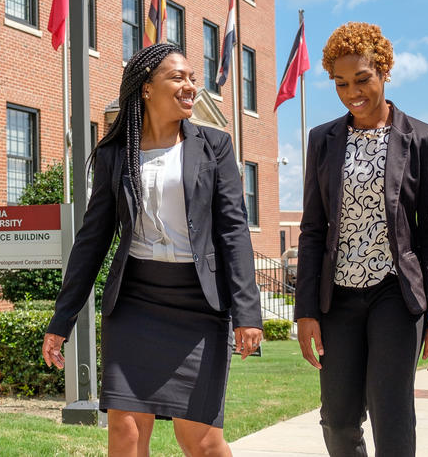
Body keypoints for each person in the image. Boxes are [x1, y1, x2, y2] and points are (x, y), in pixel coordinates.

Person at [41, 43, 263, 457]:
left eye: (192, 78)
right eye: (177, 77)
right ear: (146, 87)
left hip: (200, 305)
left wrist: (248, 314)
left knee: (200, 440)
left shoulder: (214, 146)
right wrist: (62, 320)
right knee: (125, 432)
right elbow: (92, 240)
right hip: (135, 302)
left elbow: (234, 232)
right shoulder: (115, 154)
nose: (190, 86)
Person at [294, 22, 428, 457]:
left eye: (362, 79)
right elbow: (312, 230)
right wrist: (305, 310)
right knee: (338, 418)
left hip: (395, 296)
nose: (351, 92)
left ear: (384, 71)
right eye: (340, 83)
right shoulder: (323, 140)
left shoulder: (422, 139)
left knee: (391, 412)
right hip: (337, 299)